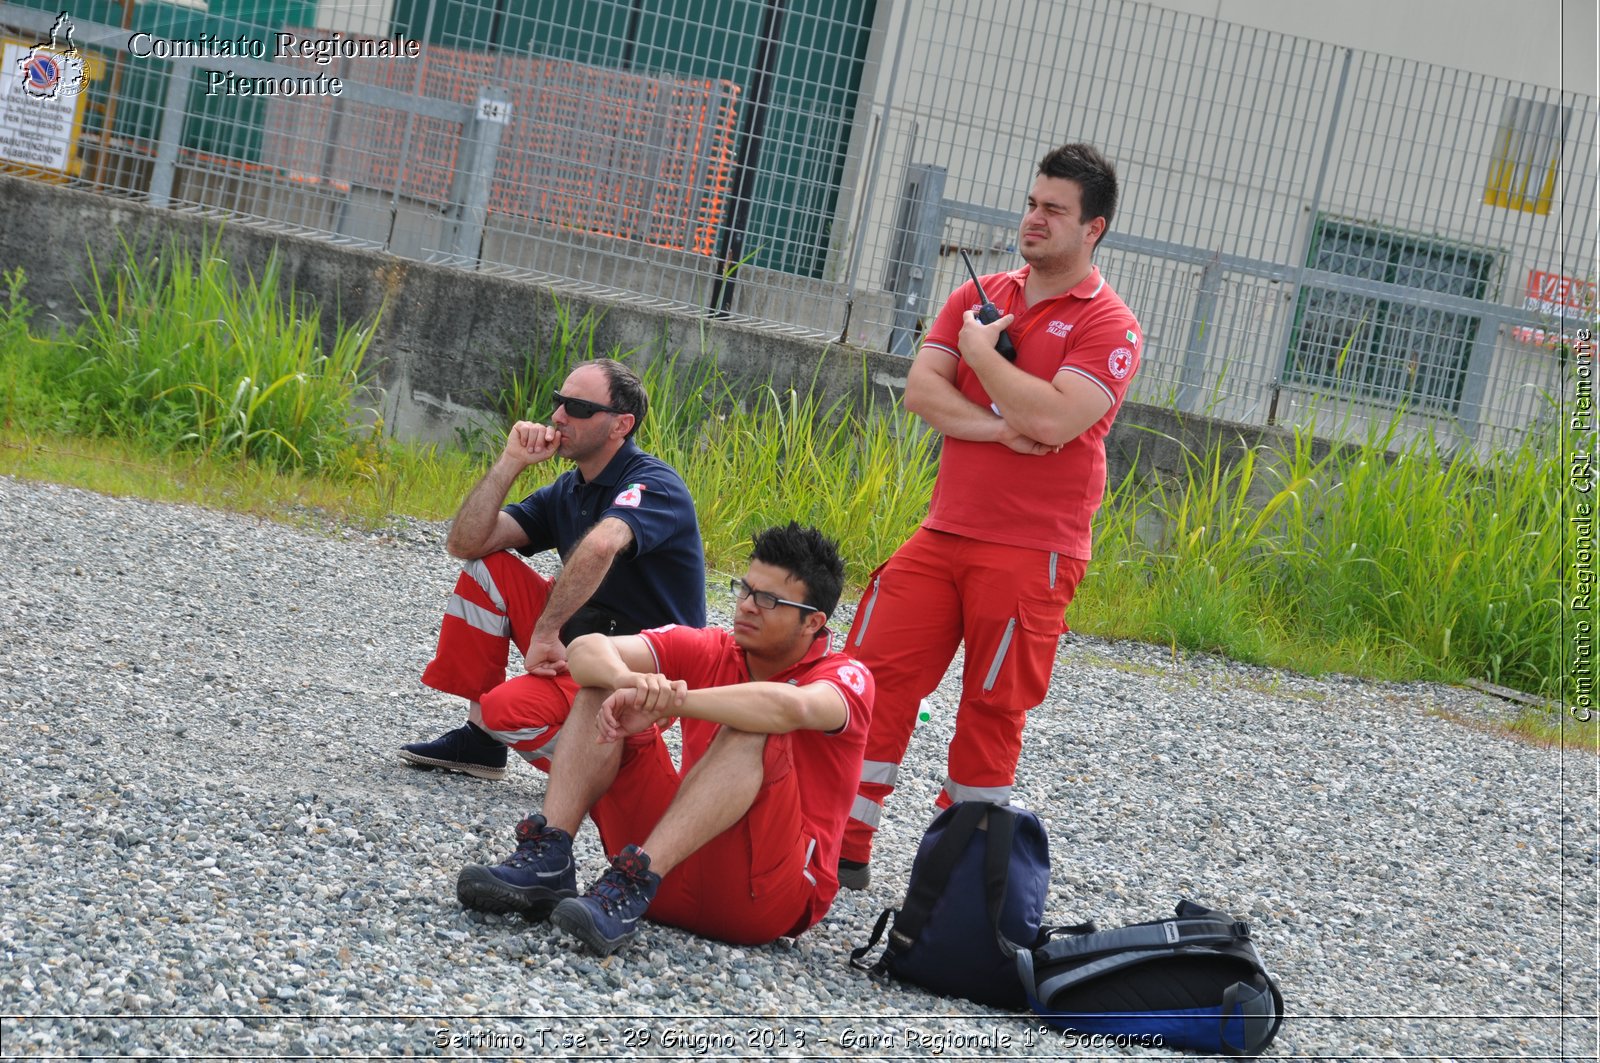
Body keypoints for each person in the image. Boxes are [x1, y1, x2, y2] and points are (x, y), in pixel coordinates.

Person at [837, 143, 1143, 889]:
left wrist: (985, 355)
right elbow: (922, 393)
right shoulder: (979, 293)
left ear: (1092, 228)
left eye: (1054, 210)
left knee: (990, 711)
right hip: (945, 530)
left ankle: (951, 878)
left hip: (1033, 550)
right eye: (1033, 203)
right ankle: (840, 844)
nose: (1033, 219)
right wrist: (1001, 425)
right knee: (872, 676)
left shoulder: (1111, 325)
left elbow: (1060, 418)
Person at [454, 523, 873, 956]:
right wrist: (627, 682)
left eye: (767, 600)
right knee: (601, 687)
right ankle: (551, 856)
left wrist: (674, 702)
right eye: (745, 589)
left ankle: (633, 880)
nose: (747, 606)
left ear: (813, 622)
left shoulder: (847, 677)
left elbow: (790, 708)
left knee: (755, 723)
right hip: (661, 873)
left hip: (760, 897)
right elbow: (585, 649)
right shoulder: (713, 647)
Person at [400, 358, 706, 781]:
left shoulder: (654, 483)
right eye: (558, 402)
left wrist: (545, 631)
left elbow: (602, 543)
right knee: (487, 567)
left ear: (621, 425)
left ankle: (616, 769)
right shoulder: (570, 488)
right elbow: (465, 543)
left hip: (640, 667)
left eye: (579, 408)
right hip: (583, 642)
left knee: (504, 711)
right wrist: (511, 461)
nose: (559, 416)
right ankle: (480, 742)